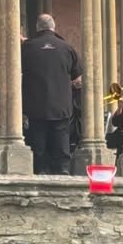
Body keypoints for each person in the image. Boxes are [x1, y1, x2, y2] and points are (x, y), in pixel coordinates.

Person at [21, 14, 82, 175]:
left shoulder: (27, 47)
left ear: (37, 28)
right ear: (53, 27)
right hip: (61, 103)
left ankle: (41, 170)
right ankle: (63, 170)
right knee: (61, 138)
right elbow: (78, 80)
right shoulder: (66, 48)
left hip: (36, 103)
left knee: (38, 139)